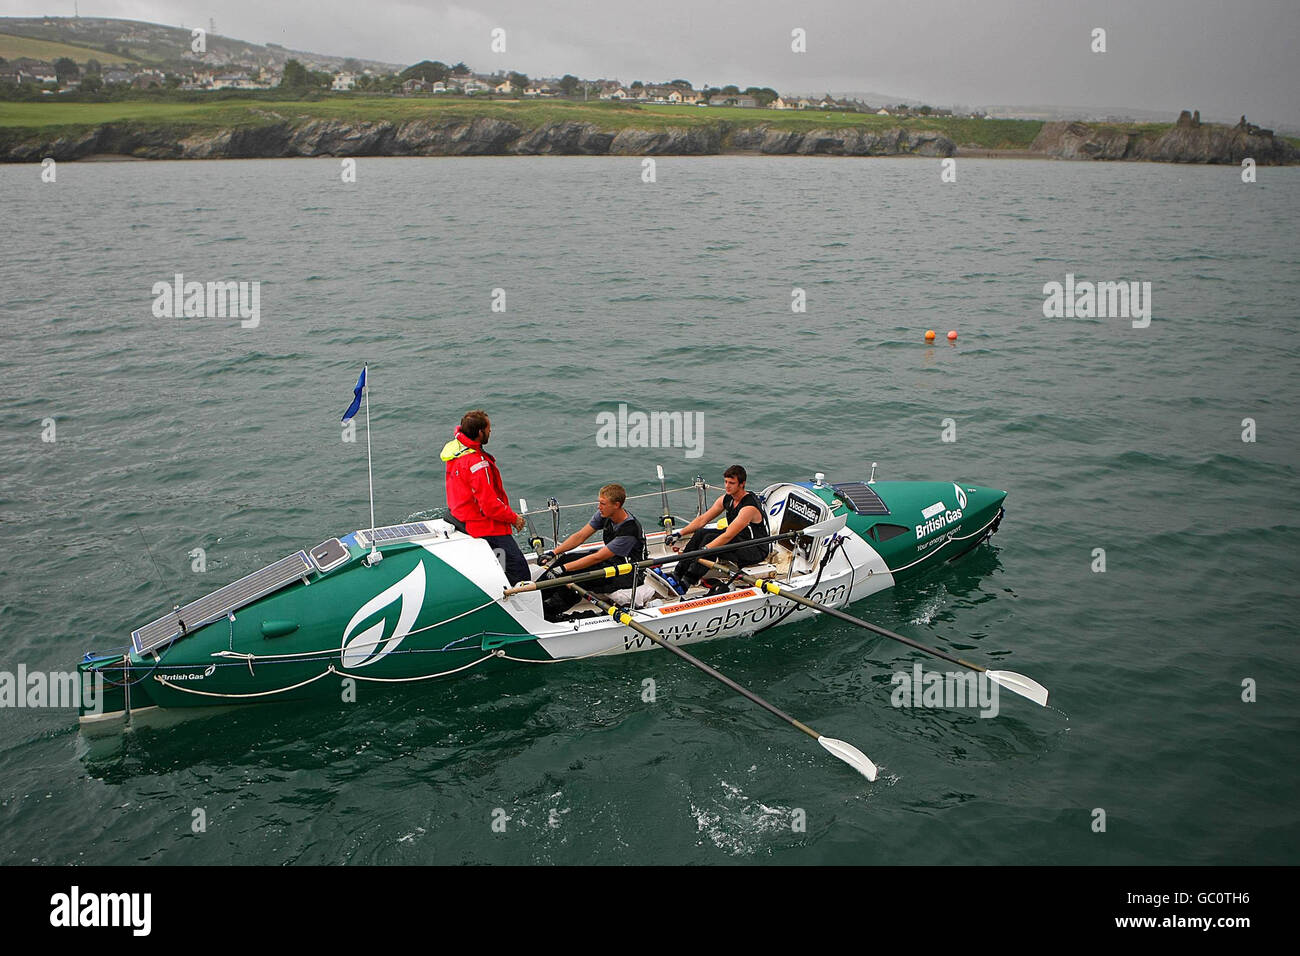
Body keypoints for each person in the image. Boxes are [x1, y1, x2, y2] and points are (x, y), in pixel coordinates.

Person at [441, 409, 530, 586]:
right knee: (519, 572)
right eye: (489, 428)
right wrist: (514, 519)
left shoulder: (456, 451)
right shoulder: (477, 464)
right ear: (480, 433)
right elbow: (489, 505)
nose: (491, 431)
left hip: (460, 516)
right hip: (482, 525)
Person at [537, 483, 647, 620]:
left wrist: (562, 569)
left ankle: (549, 613)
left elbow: (598, 558)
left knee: (580, 577)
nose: (598, 507)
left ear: (616, 505)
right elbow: (580, 536)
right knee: (567, 558)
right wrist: (553, 553)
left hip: (629, 574)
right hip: (612, 563)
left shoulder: (629, 530)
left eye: (603, 503)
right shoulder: (605, 514)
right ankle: (535, 595)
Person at [666, 464, 768, 593]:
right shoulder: (727, 499)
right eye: (725, 482)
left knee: (710, 541)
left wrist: (705, 549)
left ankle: (686, 582)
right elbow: (703, 520)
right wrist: (679, 534)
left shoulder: (749, 507)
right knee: (701, 533)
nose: (727, 486)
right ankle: (677, 574)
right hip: (739, 540)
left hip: (755, 548)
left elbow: (728, 535)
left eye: (731, 483)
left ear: (742, 484)